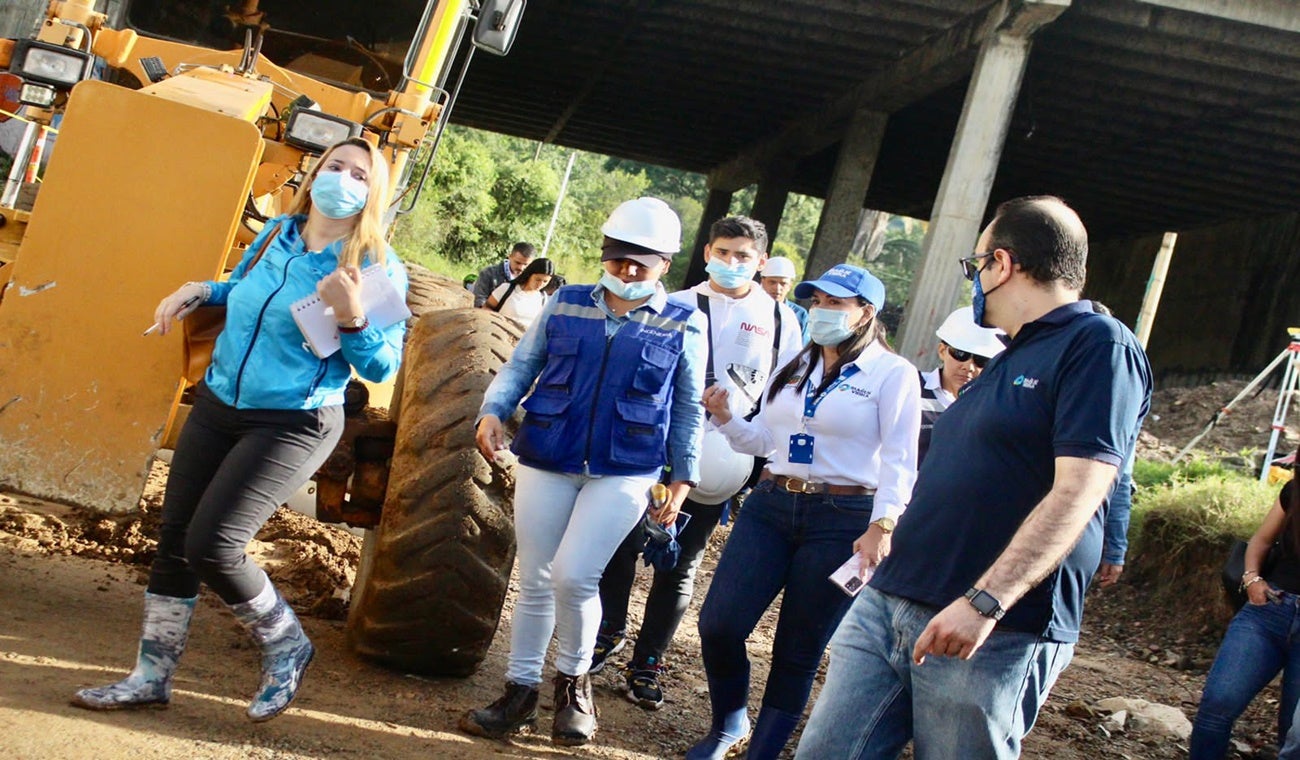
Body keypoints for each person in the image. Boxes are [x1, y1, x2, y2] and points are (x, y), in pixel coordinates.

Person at [795, 196, 1152, 760]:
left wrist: (987, 600)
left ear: (1002, 264)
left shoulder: (1098, 345)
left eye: (975, 266)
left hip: (991, 628)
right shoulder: (1011, 354)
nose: (976, 280)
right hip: (893, 596)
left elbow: (1082, 489)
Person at [70, 138, 408, 722]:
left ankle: (286, 644)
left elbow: (381, 366)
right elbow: (244, 293)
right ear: (315, 173)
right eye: (335, 166)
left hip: (293, 422)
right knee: (174, 540)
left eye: (359, 174)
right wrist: (200, 289)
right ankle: (151, 676)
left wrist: (352, 315)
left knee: (213, 545)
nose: (343, 179)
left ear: (372, 192)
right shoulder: (277, 233)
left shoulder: (374, 264)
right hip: (218, 402)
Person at [459, 196, 707, 747]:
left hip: (626, 467)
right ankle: (520, 692)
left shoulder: (684, 323)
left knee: (575, 576)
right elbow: (524, 363)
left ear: (666, 263)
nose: (630, 270)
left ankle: (574, 686)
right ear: (605, 255)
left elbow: (689, 407)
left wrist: (684, 477)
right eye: (620, 258)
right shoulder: (566, 302)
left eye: (643, 261)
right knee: (536, 580)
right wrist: (494, 410)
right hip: (549, 452)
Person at [689, 263, 921, 760]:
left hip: (843, 517)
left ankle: (763, 752)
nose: (821, 312)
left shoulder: (892, 374)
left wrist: (883, 524)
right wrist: (726, 418)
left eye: (835, 304)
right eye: (816, 302)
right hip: (770, 504)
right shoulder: (795, 364)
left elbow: (902, 461)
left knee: (798, 648)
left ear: (865, 314)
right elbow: (766, 440)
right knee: (720, 624)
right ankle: (729, 724)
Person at [593, 215, 801, 713]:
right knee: (621, 544)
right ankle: (609, 631)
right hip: (653, 450)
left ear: (761, 262)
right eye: (724, 252)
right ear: (707, 252)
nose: (732, 263)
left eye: (743, 256)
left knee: (681, 562)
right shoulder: (674, 304)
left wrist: (770, 457)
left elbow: (786, 394)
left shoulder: (781, 320)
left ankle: (648, 661)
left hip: (724, 460)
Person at [1191, 455, 1300, 759]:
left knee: (1294, 735)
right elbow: (1261, 540)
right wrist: (1252, 579)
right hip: (1269, 610)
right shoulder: (1293, 490)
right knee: (1217, 704)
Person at [917, 306, 1005, 465]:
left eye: (981, 360)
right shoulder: (910, 388)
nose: (968, 367)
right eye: (961, 354)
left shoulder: (995, 408)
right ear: (942, 350)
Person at [486, 257, 555, 328]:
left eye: (545, 281)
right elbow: (486, 308)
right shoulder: (507, 288)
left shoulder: (543, 298)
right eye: (537, 279)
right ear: (529, 275)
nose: (540, 284)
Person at [472, 241, 536, 307]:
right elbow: (479, 299)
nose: (521, 268)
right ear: (510, 256)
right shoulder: (489, 273)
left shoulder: (531, 280)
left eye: (526, 265)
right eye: (517, 263)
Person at [760, 256, 809, 336]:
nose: (777, 288)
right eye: (772, 282)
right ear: (763, 281)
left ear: (790, 285)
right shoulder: (750, 306)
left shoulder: (799, 314)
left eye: (783, 284)